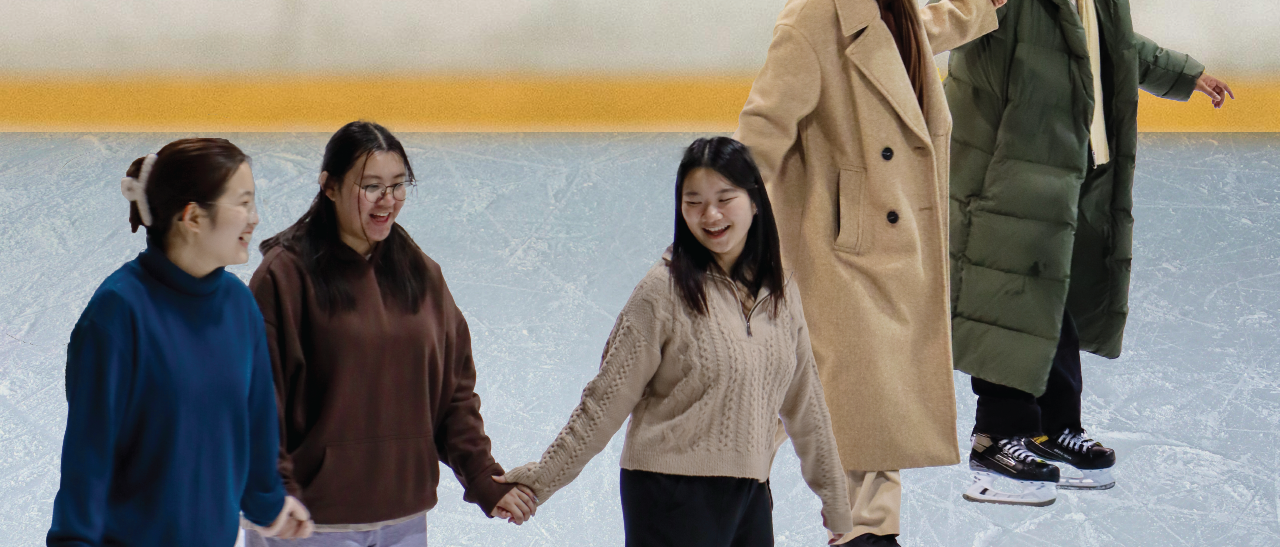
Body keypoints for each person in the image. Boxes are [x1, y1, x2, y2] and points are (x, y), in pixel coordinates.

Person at [933, 0, 1235, 506]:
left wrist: (1187, 76)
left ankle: (1054, 426)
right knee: (1009, 303)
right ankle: (998, 439)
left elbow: (1120, 47)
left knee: (1056, 305)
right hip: (1008, 174)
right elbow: (953, 11)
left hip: (1072, 170)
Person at [733, 0, 1008, 546]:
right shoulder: (812, 17)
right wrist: (732, 231)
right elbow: (762, 131)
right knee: (794, 392)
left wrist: (969, 3)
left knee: (875, 398)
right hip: (836, 243)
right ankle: (713, 505)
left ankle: (870, 532)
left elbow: (913, 34)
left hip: (891, 238)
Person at [497, 136, 854, 546]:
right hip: (669, 493)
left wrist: (834, 498)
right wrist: (542, 479)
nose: (710, 214)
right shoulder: (661, 293)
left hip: (751, 491)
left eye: (725, 197)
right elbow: (605, 402)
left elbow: (805, 401)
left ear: (755, 201)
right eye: (694, 201)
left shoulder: (780, 293)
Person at [245, 121, 536, 547]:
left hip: (402, 518)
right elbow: (258, 401)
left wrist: (482, 476)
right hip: (308, 524)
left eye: (399, 186)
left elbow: (454, 392)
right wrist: (273, 495)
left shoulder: (422, 276)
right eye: (372, 187)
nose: (388, 201)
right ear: (329, 187)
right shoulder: (285, 276)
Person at [47, 138, 314, 547]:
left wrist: (269, 505)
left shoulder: (239, 307)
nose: (255, 218)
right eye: (242, 203)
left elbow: (255, 423)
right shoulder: (118, 314)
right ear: (192, 217)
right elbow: (89, 458)